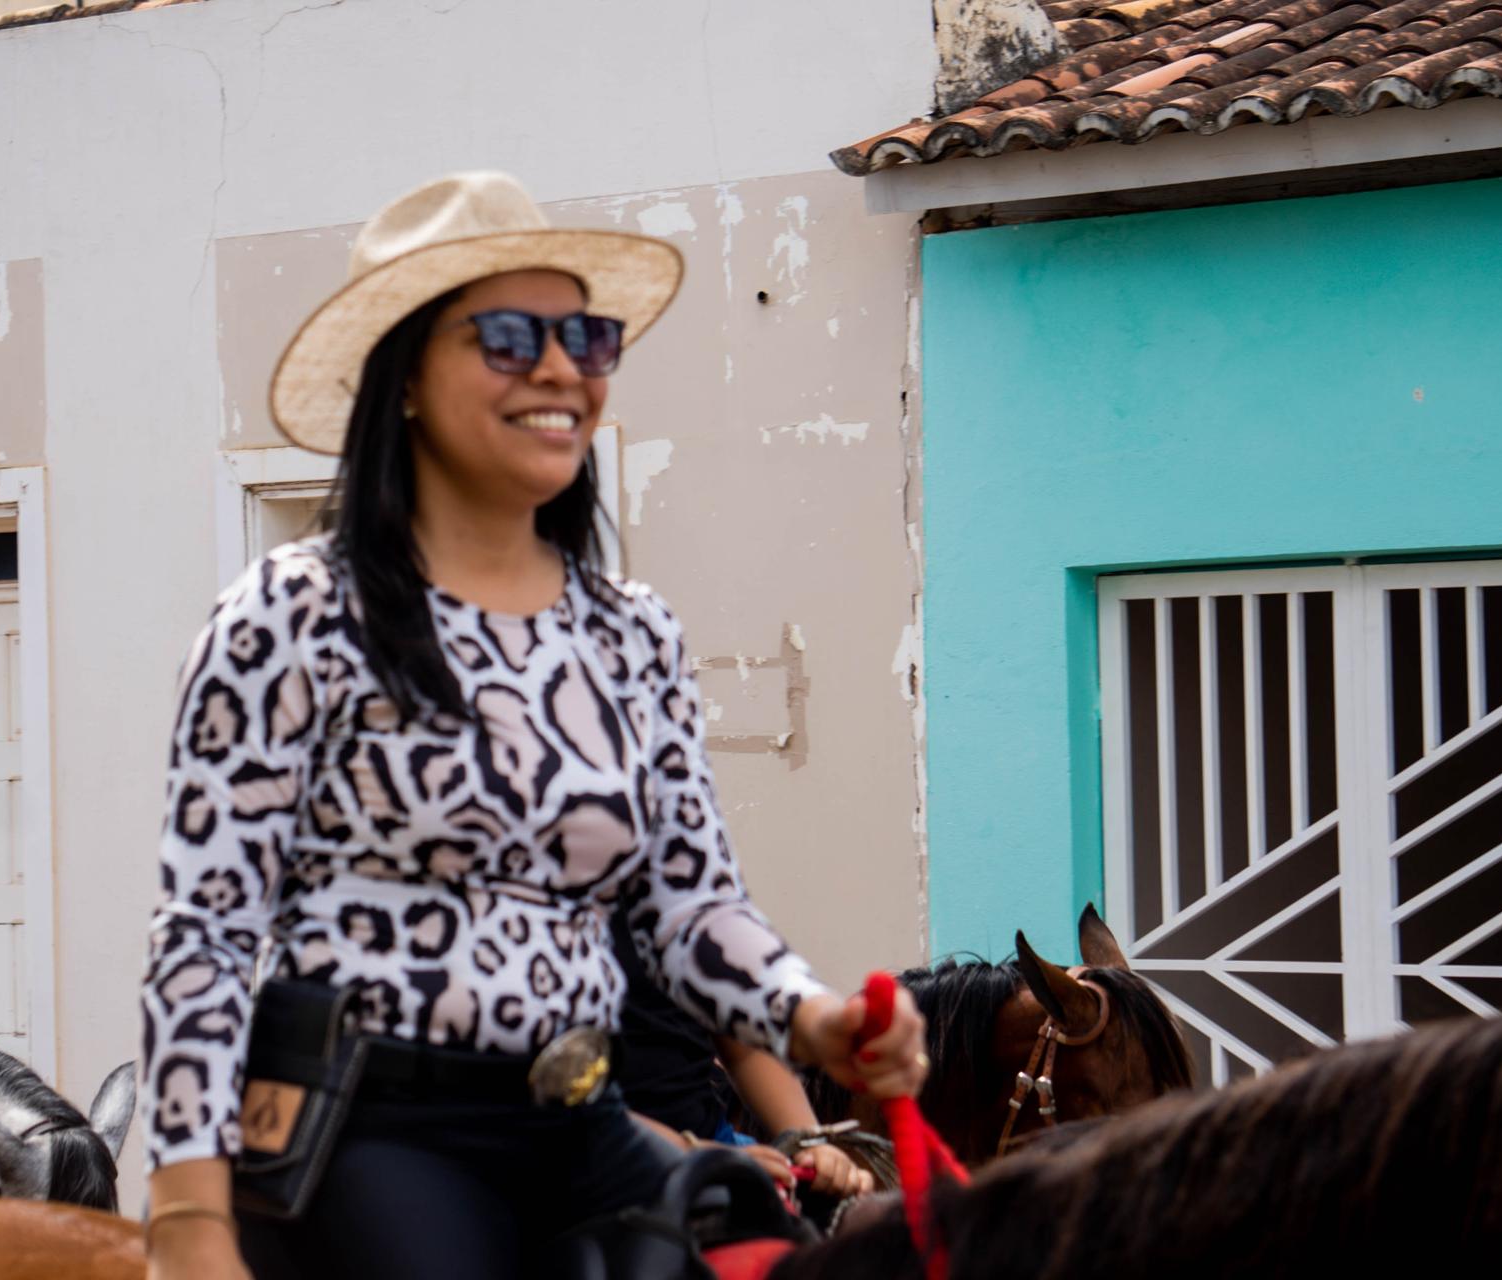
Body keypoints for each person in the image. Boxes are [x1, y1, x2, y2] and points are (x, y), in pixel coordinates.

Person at [138, 171, 927, 1280]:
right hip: (371, 1128)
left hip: (583, 1118)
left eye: (586, 337)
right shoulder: (292, 615)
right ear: (405, 377)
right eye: (510, 336)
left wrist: (814, 1016)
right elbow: (206, 931)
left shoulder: (632, 633)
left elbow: (692, 905)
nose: (561, 368)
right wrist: (187, 1218)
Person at [611, 912, 875, 1201]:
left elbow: (744, 1039)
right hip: (604, 1160)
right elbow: (581, 1109)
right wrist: (690, 1153)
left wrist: (808, 1140)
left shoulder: (681, 900)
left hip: (715, 1142)